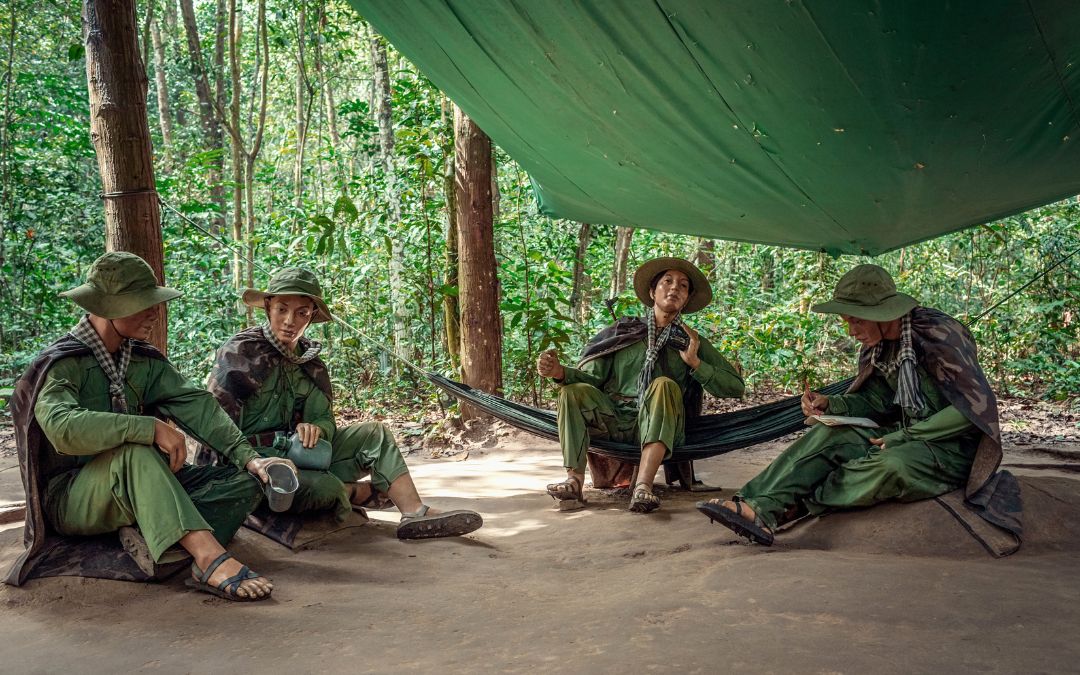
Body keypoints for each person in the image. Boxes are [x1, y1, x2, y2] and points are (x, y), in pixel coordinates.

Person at [13, 252, 287, 600]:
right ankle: (206, 557)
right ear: (107, 307)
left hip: (146, 483)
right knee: (135, 452)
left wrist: (250, 458)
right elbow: (62, 428)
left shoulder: (140, 360)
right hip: (74, 498)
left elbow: (197, 405)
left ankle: (159, 541)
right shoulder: (64, 364)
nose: (154, 313)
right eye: (141, 304)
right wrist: (148, 427)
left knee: (247, 480)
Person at [698, 264, 1003, 545]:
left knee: (889, 465)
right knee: (827, 436)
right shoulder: (876, 348)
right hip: (904, 432)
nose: (851, 331)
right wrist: (831, 404)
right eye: (846, 321)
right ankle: (754, 506)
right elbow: (877, 402)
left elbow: (974, 410)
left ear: (885, 313)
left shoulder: (938, 334)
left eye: (856, 320)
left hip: (951, 449)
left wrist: (904, 438)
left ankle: (795, 504)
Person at [204, 267, 483, 539]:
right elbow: (213, 424)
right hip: (255, 466)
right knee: (325, 489)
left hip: (301, 453)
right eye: (282, 309)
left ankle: (415, 512)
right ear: (268, 308)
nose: (290, 320)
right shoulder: (240, 352)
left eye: (301, 313)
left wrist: (317, 428)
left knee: (375, 434)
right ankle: (354, 491)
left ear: (311, 316)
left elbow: (324, 419)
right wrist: (245, 466)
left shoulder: (310, 363)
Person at [537, 257, 745, 512]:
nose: (674, 288)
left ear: (687, 298)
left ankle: (643, 488)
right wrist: (559, 372)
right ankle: (574, 483)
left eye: (682, 286)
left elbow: (735, 387)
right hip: (616, 420)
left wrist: (696, 363)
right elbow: (591, 381)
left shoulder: (692, 342)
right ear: (652, 291)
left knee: (664, 385)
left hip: (664, 424)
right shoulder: (623, 331)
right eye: (667, 282)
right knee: (570, 392)